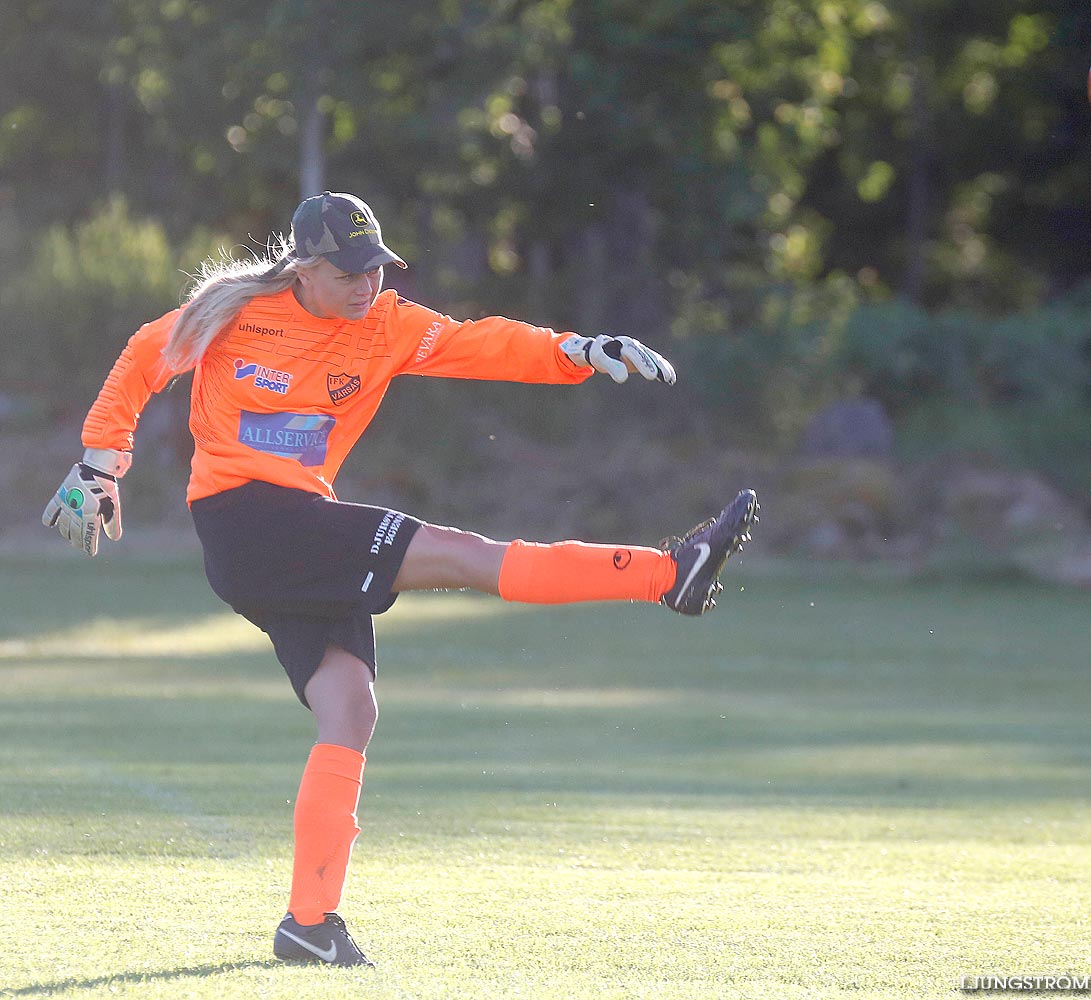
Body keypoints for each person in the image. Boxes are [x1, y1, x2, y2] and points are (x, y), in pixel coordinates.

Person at [41, 191, 758, 967]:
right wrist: (100, 462)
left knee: (350, 709)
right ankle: (666, 574)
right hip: (245, 519)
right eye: (348, 271)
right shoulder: (233, 313)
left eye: (375, 268)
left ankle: (308, 926)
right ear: (306, 268)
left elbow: (485, 344)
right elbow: (143, 360)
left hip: (294, 531)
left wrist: (577, 351)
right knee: (463, 554)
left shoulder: (390, 324)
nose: (365, 284)